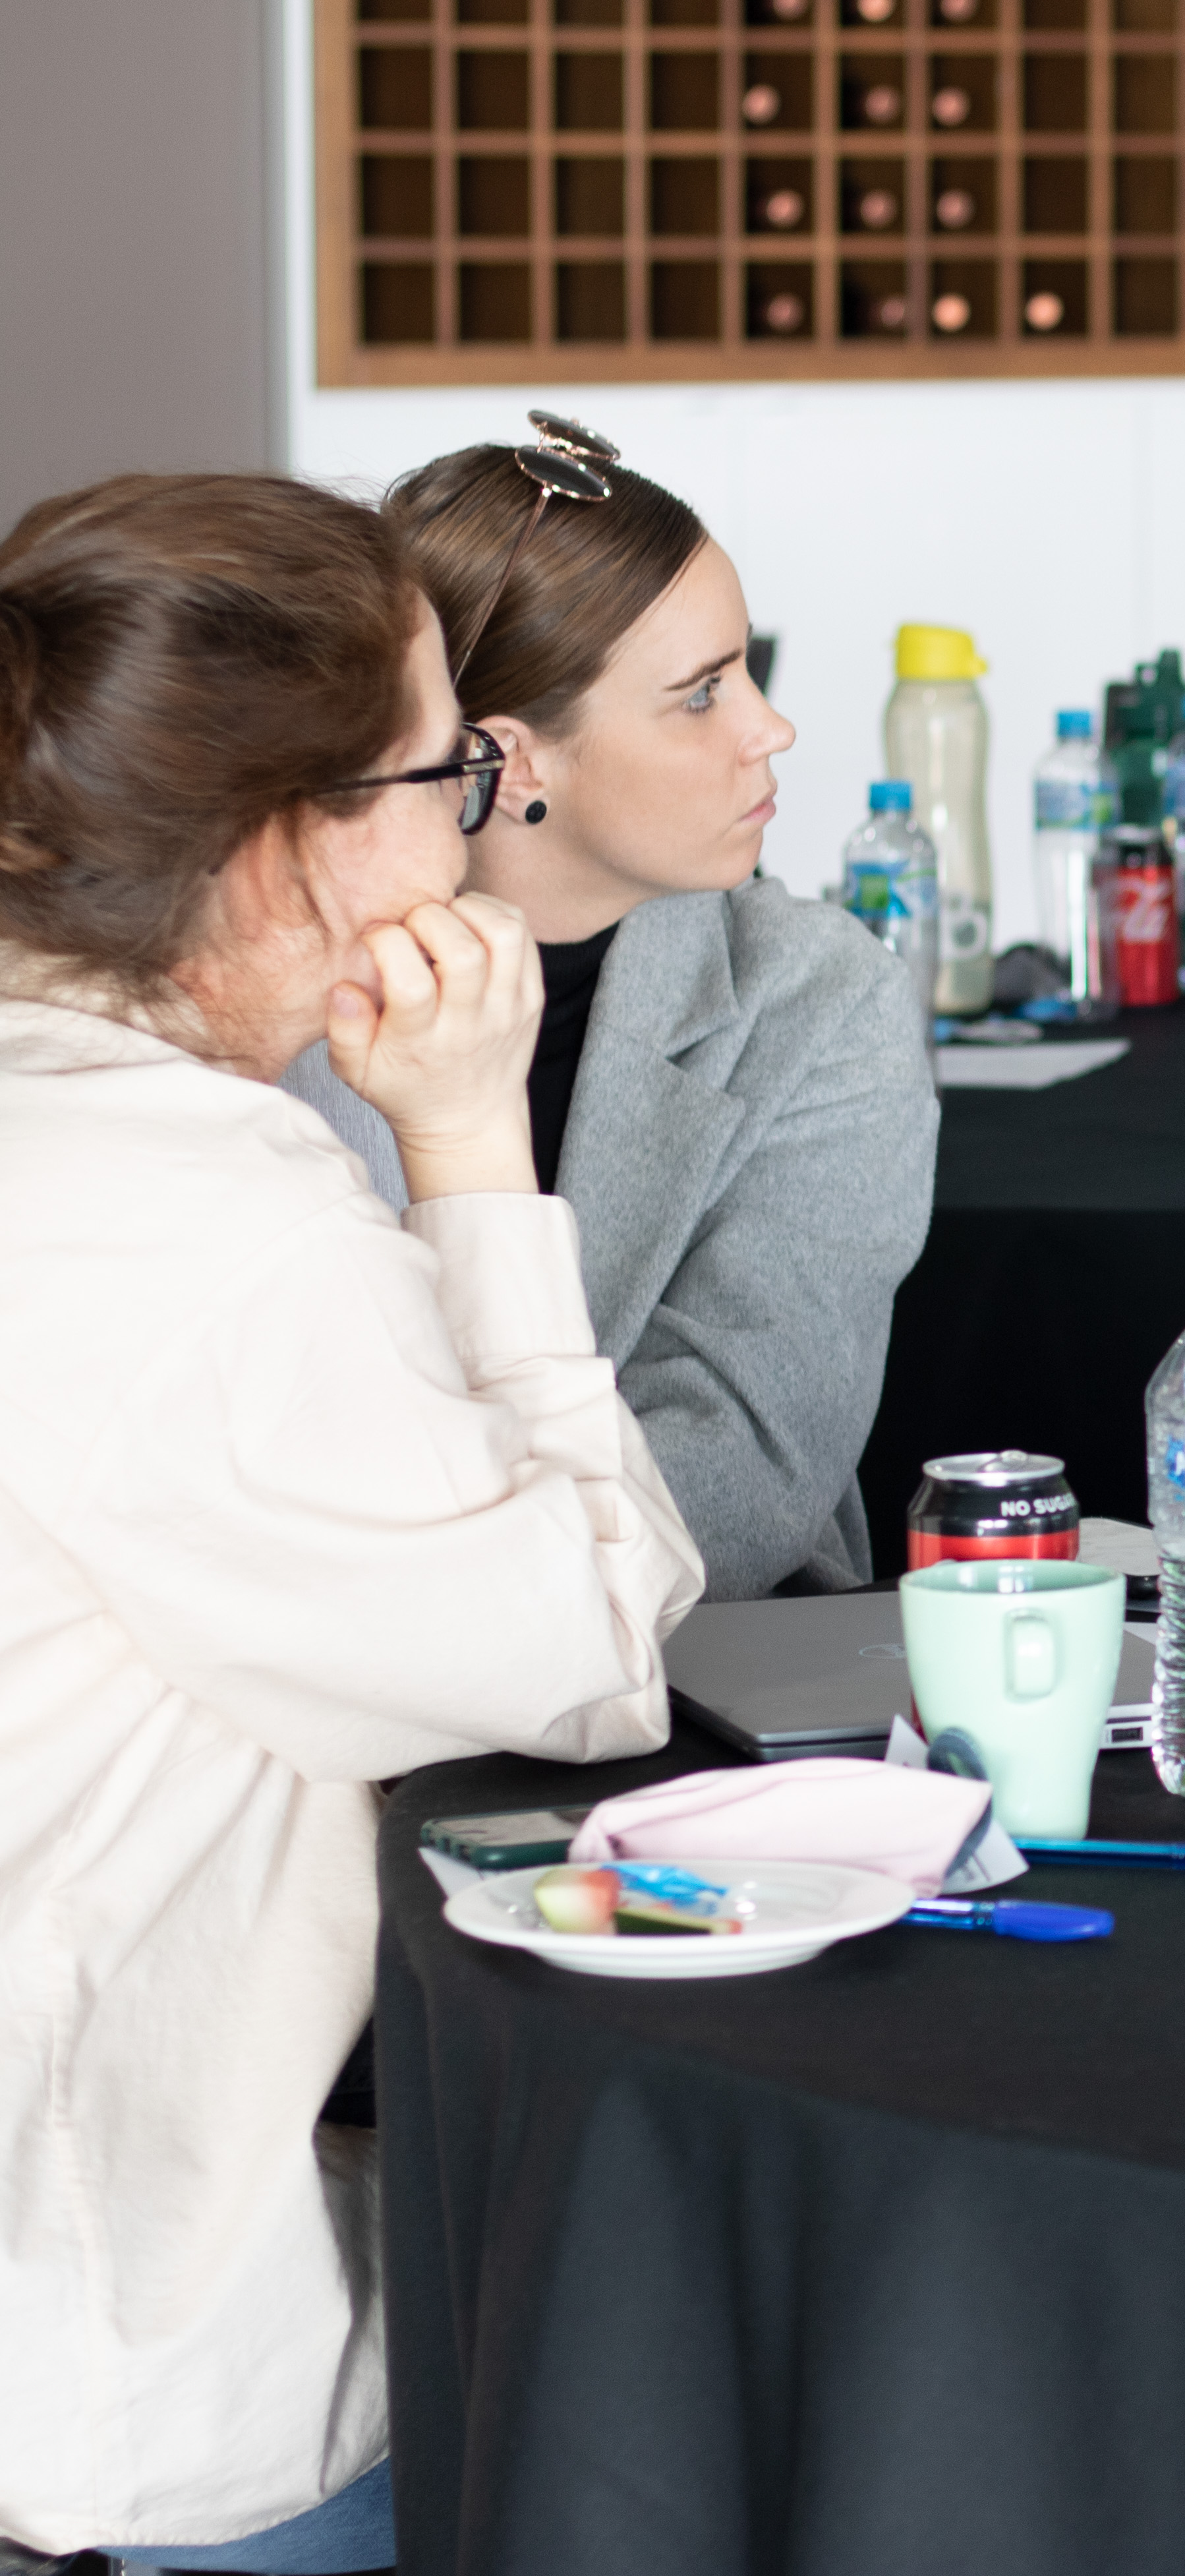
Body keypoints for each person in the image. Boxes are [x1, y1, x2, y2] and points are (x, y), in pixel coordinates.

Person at [0, 474, 698, 2567]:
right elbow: (596, 1653)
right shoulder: (218, 1236)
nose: (479, 823)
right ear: (285, 849)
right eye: (443, 771)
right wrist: (473, 1147)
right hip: (119, 2385)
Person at [283, 417, 937, 1598]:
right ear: (512, 762)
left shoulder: (818, 997)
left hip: (706, 1661)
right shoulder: (278, 987)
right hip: (337, 1657)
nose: (772, 729)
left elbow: (741, 1482)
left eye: (746, 671)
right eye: (703, 695)